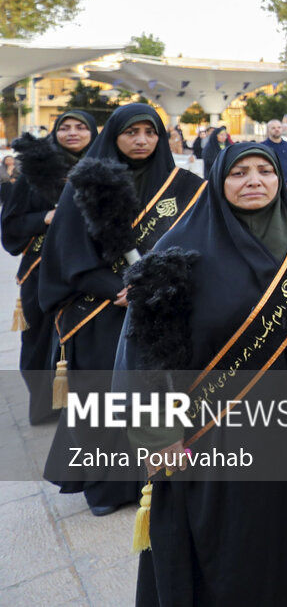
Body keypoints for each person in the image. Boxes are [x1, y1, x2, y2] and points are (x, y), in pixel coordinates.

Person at [117, 142, 287, 607]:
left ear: (281, 178)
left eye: (265, 171)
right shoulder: (177, 252)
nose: (254, 181)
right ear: (218, 181)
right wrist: (157, 431)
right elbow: (146, 352)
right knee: (235, 535)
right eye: (239, 173)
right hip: (220, 429)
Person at [39, 104, 207, 515]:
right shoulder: (86, 184)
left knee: (155, 397)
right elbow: (69, 255)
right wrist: (119, 288)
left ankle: (155, 472)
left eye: (150, 132)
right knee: (104, 401)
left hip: (162, 307)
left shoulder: (184, 185)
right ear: (114, 135)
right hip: (104, 308)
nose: (141, 140)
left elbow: (203, 242)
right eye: (131, 132)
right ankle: (106, 488)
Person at [2, 110, 97, 424]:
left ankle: (82, 407)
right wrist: (44, 218)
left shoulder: (105, 168)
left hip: (88, 270)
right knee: (39, 339)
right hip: (41, 270)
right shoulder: (34, 172)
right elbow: (11, 224)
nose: (72, 133)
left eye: (80, 127)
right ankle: (45, 404)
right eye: (64, 127)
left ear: (93, 132)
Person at [261, 119, 287, 195]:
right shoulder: (262, 146)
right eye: (273, 128)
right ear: (268, 130)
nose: (277, 130)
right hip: (267, 186)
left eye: (279, 127)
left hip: (286, 186)